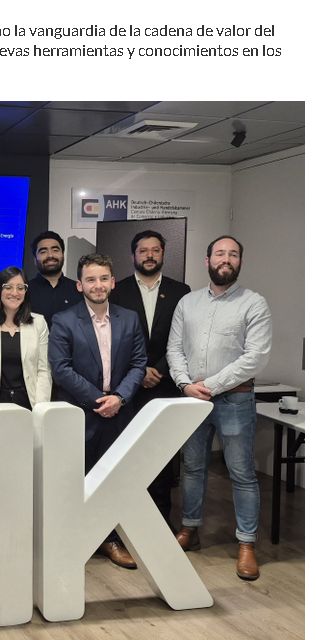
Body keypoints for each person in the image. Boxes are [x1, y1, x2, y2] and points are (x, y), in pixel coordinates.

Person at [166, 235, 273, 581]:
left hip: (234, 399)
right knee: (194, 467)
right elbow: (174, 349)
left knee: (241, 473)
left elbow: (255, 357)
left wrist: (209, 385)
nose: (226, 259)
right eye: (220, 254)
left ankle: (246, 544)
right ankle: (190, 529)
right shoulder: (188, 303)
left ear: (240, 261)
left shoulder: (254, 303)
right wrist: (185, 384)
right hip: (192, 399)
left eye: (233, 254)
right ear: (207, 260)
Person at [48, 250, 147, 569]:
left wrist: (119, 397)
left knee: (112, 481)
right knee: (73, 480)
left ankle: (108, 539)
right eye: (91, 279)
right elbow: (61, 369)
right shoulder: (64, 320)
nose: (98, 285)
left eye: (104, 278)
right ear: (80, 285)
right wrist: (98, 400)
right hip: (79, 413)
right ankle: (70, 540)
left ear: (113, 282)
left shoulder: (129, 318)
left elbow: (138, 364)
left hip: (119, 412)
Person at [112, 228, 190, 524]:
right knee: (128, 454)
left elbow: (183, 339)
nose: (149, 255)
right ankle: (127, 519)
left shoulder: (181, 291)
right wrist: (139, 369)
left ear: (162, 254)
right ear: (133, 255)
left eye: (155, 250)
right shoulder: (117, 290)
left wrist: (159, 367)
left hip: (166, 384)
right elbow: (113, 338)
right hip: (128, 386)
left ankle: (160, 521)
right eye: (143, 250)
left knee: (161, 455)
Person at [0, 268, 52, 417]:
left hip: (29, 405)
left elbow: (44, 370)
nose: (15, 293)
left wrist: (39, 411)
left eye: (20, 287)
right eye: (8, 287)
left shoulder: (38, 323)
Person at [28, 229, 74, 323]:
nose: (50, 255)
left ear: (63, 255)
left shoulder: (78, 290)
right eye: (43, 252)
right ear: (35, 260)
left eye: (55, 250)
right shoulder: (24, 291)